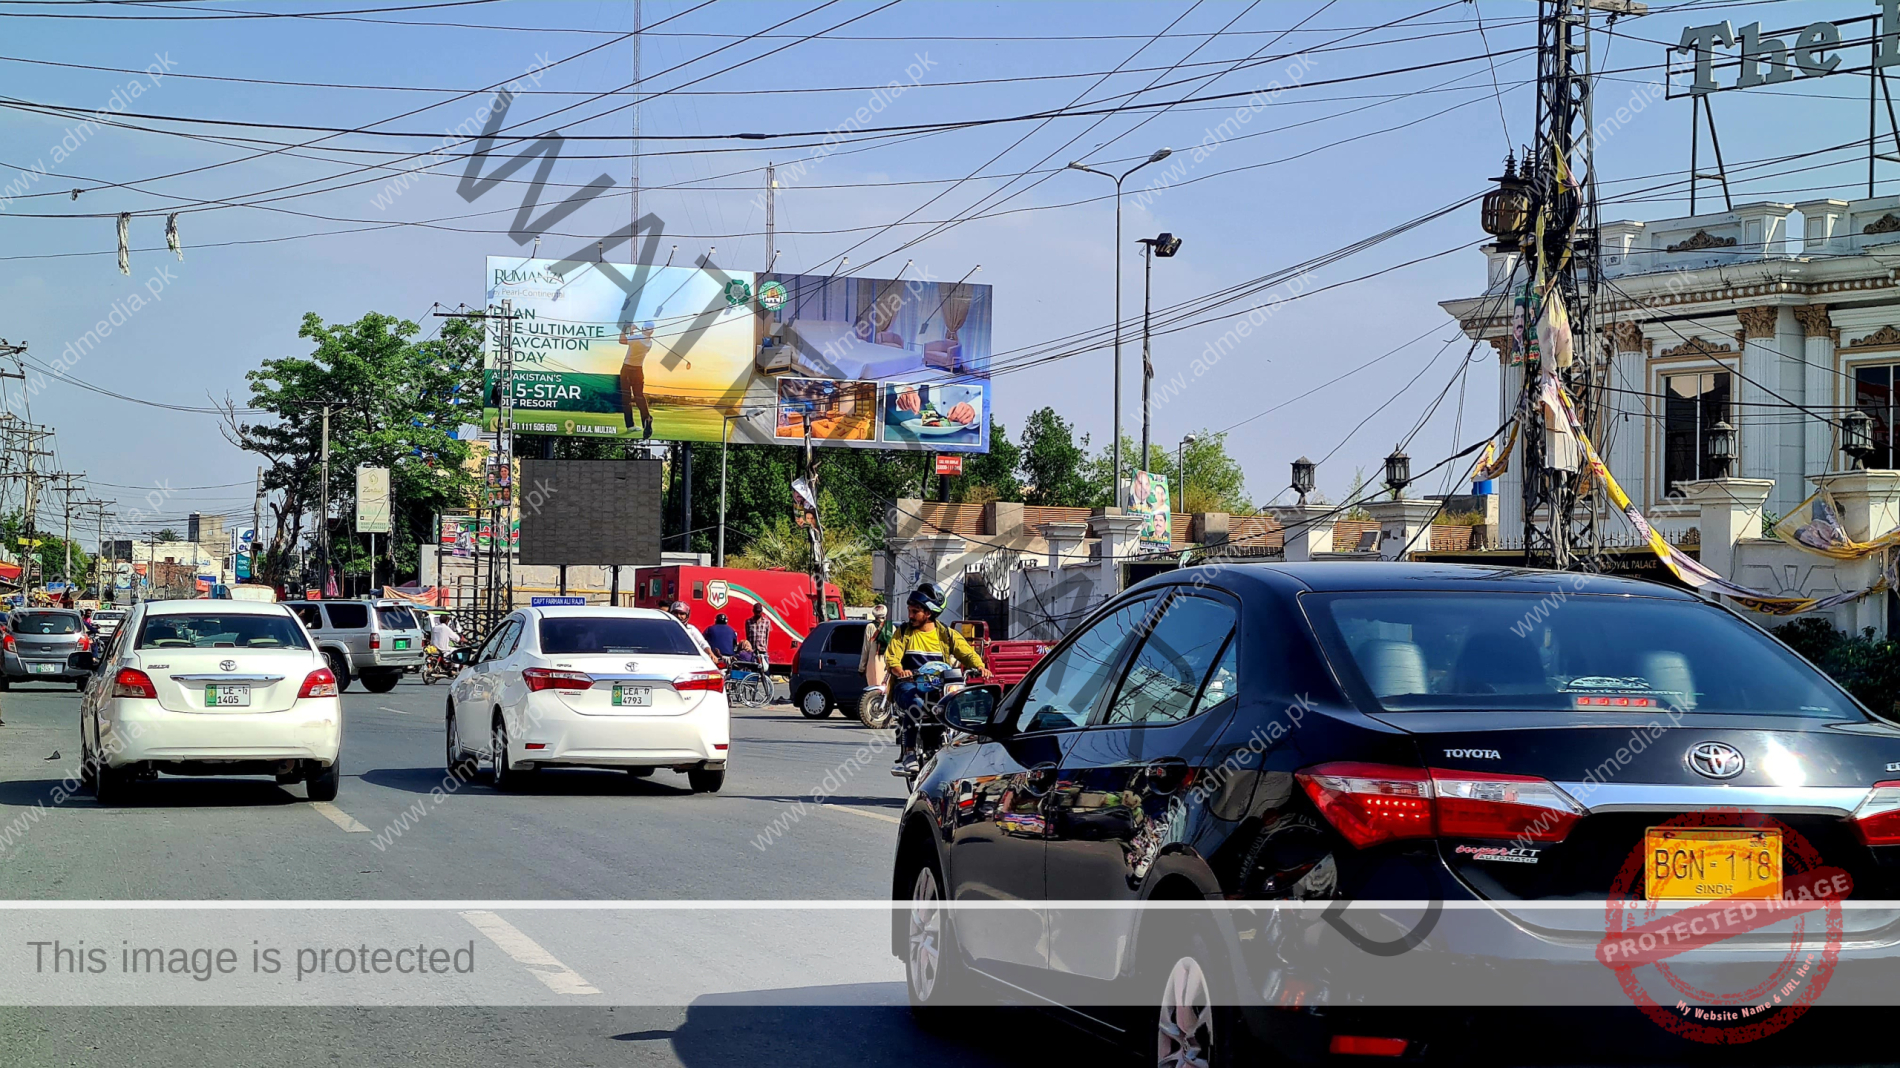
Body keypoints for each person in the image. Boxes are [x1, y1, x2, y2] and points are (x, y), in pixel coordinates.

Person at [884, 583, 985, 775]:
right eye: (910, 611)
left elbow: (967, 654)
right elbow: (892, 659)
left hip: (939, 688)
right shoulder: (903, 632)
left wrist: (980, 667)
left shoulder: (946, 634)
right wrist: (900, 671)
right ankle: (909, 752)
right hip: (908, 686)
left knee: (962, 707)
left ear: (929, 613)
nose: (910, 615)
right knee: (915, 703)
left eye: (915, 611)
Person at [745, 602, 772, 670]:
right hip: (752, 650)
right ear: (753, 611)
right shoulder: (748, 621)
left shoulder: (766, 622)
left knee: (765, 670)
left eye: (759, 611)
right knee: (752, 670)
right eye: (757, 612)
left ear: (762, 611)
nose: (758, 613)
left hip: (762, 650)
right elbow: (747, 635)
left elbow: (767, 636)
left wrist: (765, 647)